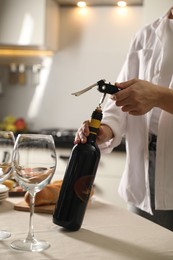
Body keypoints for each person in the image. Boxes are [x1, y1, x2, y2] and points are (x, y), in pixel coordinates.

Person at [74, 7, 173, 231]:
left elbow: (152, 95)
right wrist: (105, 129)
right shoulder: (145, 35)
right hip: (142, 182)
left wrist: (158, 96)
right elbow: (119, 103)